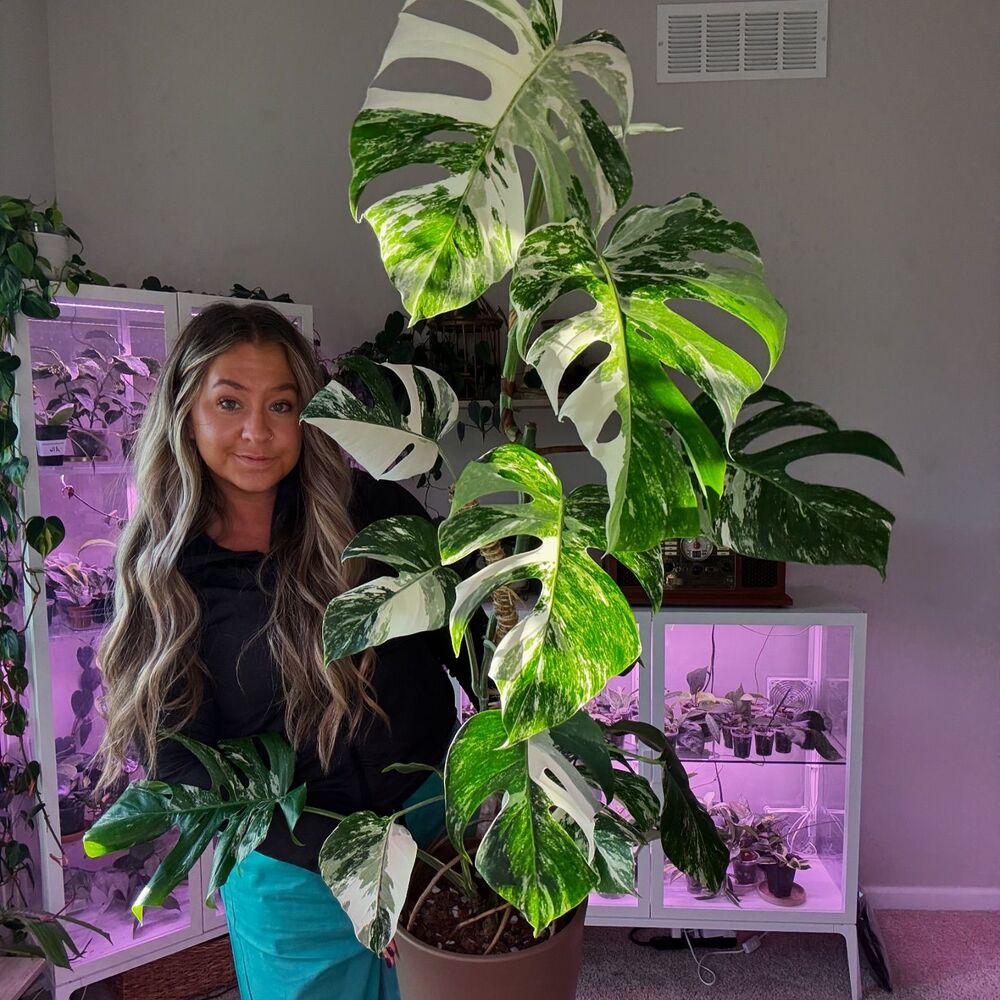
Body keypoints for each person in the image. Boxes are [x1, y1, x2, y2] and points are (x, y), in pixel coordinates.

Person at [92, 302, 476, 1000]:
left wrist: (514, 617)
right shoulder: (167, 573)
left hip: (429, 830)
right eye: (229, 402)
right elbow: (183, 764)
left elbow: (463, 643)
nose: (256, 432)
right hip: (290, 871)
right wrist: (356, 872)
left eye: (282, 404)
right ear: (185, 412)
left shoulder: (376, 511)